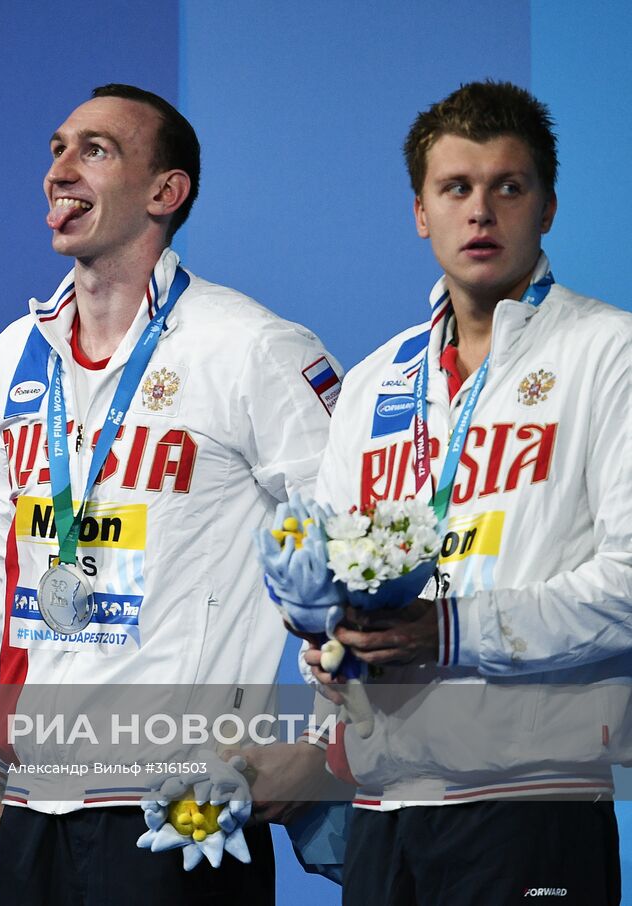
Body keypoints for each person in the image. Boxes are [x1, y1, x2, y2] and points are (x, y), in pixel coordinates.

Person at [0, 83, 341, 905]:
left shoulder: (252, 346)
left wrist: (322, 745)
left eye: (94, 150)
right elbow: (12, 565)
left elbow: (352, 554)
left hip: (186, 804)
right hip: (37, 803)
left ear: (166, 193)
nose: (59, 169)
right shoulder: (17, 354)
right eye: (57, 147)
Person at [307, 80, 630, 905]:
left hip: (534, 799)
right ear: (421, 212)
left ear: (548, 206)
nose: (480, 213)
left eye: (507, 188)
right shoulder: (379, 379)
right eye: (456, 189)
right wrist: (332, 647)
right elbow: (333, 566)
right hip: (386, 807)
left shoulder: (610, 354)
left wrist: (449, 631)